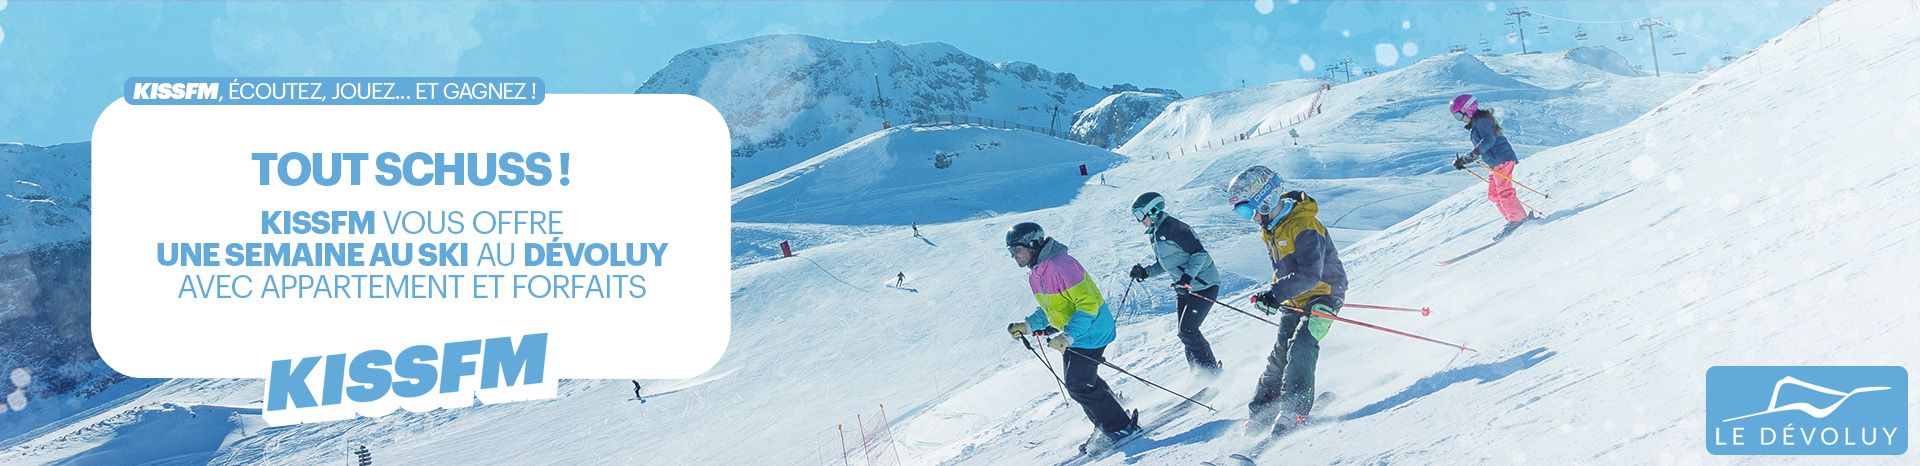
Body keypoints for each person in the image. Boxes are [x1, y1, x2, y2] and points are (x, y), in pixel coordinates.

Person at [1224, 166, 1348, 436]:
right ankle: (1262, 410)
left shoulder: (1304, 225)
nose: (1249, 218)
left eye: (1247, 211)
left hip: (1325, 293)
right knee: (1280, 350)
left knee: (1302, 343)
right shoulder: (1270, 228)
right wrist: (1274, 293)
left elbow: (1311, 274)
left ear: (1265, 200)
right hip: (1295, 298)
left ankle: (1295, 407)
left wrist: (1278, 293)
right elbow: (1284, 268)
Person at [1002, 222, 1140, 452]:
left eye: (1015, 249)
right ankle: (1110, 417)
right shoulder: (1036, 274)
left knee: (1078, 384)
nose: (1013, 256)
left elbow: (1088, 305)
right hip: (1077, 335)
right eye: (1010, 252)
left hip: (1092, 331)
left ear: (1032, 244)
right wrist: (1027, 325)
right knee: (1080, 382)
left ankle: (1119, 427)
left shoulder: (1062, 265)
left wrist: (1067, 336)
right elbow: (1049, 310)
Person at [1125, 192, 1224, 382]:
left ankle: (1211, 372)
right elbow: (1168, 263)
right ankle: (1198, 374)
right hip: (1184, 288)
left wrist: (1187, 277)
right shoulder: (1155, 233)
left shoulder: (1175, 228)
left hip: (1204, 286)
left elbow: (1200, 254)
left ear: (1152, 211)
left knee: (1188, 331)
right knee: (1184, 333)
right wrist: (1145, 272)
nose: (1139, 221)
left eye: (1139, 215)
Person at [1448, 94, 1532, 240]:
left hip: (1502, 159)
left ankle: (1517, 220)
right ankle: (1515, 219)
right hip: (1495, 163)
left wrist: (1471, 155)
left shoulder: (1481, 121)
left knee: (1504, 192)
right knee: (1493, 194)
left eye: (1459, 116)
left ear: (1468, 110)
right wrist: (1466, 159)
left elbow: (1489, 140)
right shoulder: (1476, 124)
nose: (1460, 120)